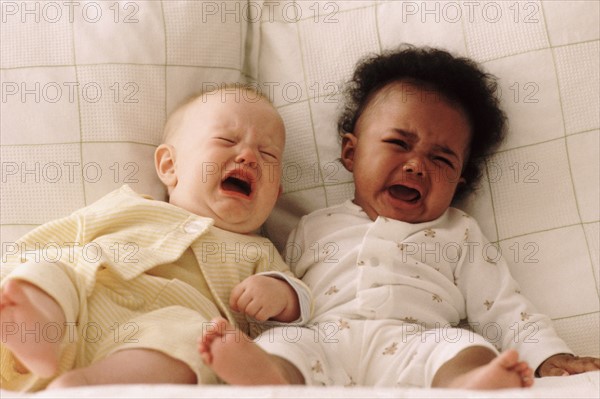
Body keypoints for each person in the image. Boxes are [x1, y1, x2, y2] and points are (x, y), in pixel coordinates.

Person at [199, 46, 600, 389]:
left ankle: (467, 384)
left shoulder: (458, 233)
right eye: (398, 143)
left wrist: (550, 355)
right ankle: (270, 377)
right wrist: (276, 290)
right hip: (325, 342)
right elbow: (296, 288)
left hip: (414, 346)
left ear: (459, 181)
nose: (416, 166)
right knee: (284, 346)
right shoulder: (314, 223)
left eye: (441, 159)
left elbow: (502, 306)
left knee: (464, 347)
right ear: (351, 153)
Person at [0, 84, 312, 391]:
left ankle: (89, 385)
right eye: (226, 140)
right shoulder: (127, 206)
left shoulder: (258, 252)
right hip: (81, 300)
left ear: (276, 195)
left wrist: (281, 295)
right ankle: (35, 330)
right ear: (169, 165)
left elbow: (298, 310)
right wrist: (14, 272)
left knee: (192, 337)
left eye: (268, 154)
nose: (248, 156)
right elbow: (52, 239)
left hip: (155, 340)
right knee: (52, 267)